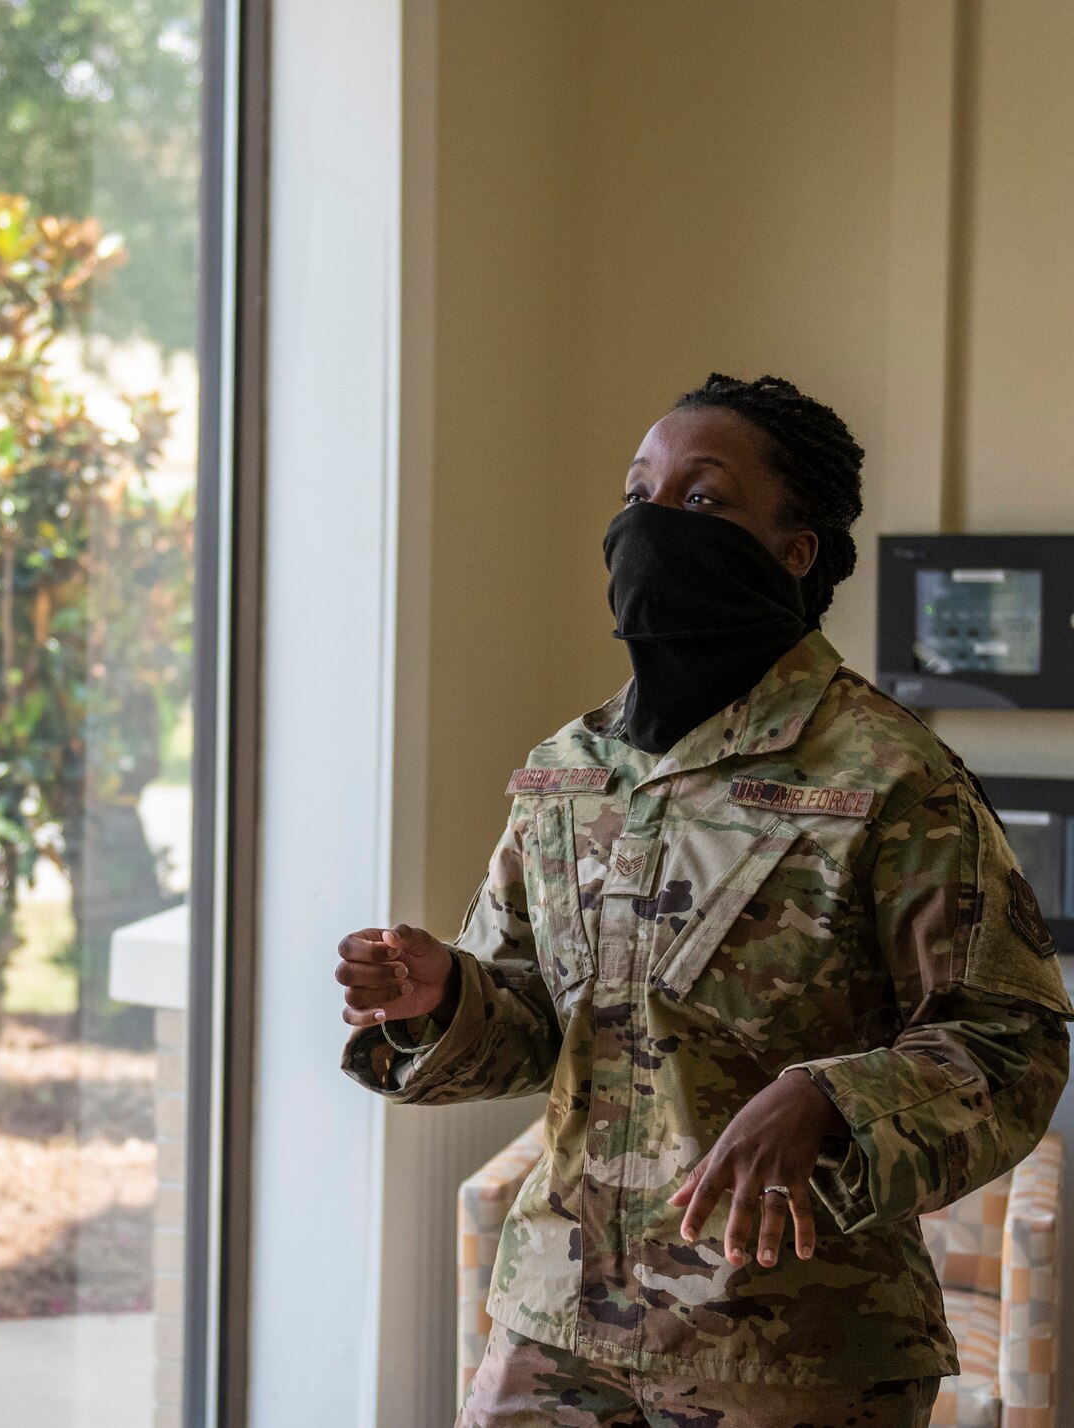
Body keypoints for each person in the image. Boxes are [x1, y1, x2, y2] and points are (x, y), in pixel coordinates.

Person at [338, 374, 1074, 1428]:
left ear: (791, 550)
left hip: (793, 1356)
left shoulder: (888, 777)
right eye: (637, 494)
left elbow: (1011, 1049)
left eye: (699, 500)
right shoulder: (566, 773)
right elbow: (535, 1027)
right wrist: (439, 999)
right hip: (552, 1329)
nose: (649, 525)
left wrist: (831, 1098)